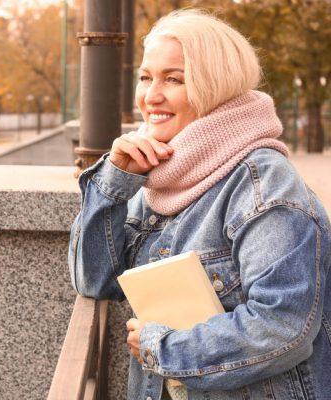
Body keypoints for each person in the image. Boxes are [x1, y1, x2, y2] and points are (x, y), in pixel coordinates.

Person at [68, 9, 331, 400]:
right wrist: (114, 182)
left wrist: (163, 348)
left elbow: (282, 325)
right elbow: (95, 281)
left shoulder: (264, 186)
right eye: (145, 77)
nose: (150, 95)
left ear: (215, 85)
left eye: (174, 79)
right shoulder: (157, 174)